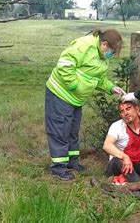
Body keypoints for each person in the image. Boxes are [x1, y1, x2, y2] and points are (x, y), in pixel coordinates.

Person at [45, 29, 125, 181]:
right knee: (60, 131)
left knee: (72, 131)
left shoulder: (102, 57)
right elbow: (64, 65)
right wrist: (75, 86)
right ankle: (59, 168)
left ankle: (72, 163)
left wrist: (110, 88)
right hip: (60, 93)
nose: (112, 55)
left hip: (76, 100)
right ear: (104, 44)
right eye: (112, 52)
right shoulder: (84, 45)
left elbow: (98, 78)